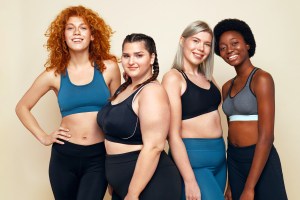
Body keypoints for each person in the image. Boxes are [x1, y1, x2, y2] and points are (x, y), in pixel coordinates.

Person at [15, 5, 121, 200]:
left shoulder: (110, 68)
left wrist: (118, 161)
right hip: (64, 157)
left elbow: (119, 113)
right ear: (63, 36)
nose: (77, 33)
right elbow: (22, 107)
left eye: (83, 27)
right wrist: (44, 137)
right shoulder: (53, 74)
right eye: (70, 28)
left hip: (98, 156)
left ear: (93, 35)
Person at [97, 33, 182, 200]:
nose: (131, 61)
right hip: (123, 184)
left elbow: (155, 146)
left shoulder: (151, 91)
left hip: (151, 185)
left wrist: (133, 193)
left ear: (152, 58)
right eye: (126, 55)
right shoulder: (124, 88)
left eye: (139, 55)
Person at [214, 18, 288, 200]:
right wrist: (231, 183)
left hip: (260, 160)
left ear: (247, 44)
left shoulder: (261, 79)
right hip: (235, 161)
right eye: (222, 47)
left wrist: (249, 187)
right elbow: (231, 133)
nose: (229, 50)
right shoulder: (226, 87)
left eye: (234, 43)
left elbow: (267, 135)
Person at [162, 20, 226, 200]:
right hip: (193, 161)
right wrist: (189, 180)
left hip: (220, 158)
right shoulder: (173, 78)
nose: (201, 48)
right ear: (183, 40)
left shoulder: (207, 76)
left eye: (207, 44)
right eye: (195, 41)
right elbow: (172, 135)